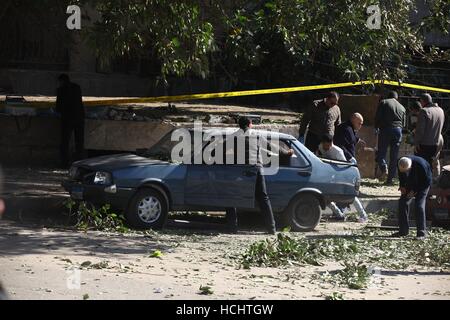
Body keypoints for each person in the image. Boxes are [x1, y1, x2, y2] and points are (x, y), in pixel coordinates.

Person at [226, 117, 292, 234]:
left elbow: (218, 149)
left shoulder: (233, 137)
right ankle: (271, 228)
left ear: (239, 125)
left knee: (232, 198)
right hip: (256, 170)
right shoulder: (256, 136)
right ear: (250, 124)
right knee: (263, 198)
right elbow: (273, 147)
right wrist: (288, 152)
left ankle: (232, 227)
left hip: (239, 171)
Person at [317, 134, 368, 223]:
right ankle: (339, 214)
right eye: (325, 145)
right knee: (325, 196)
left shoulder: (338, 151)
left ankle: (363, 215)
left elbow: (344, 166)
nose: (326, 148)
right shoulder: (320, 147)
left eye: (328, 146)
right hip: (328, 176)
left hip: (340, 175)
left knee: (350, 196)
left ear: (331, 143)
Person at [393, 156, 432, 239]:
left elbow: (425, 181)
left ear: (410, 167)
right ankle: (403, 231)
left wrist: (414, 191)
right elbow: (401, 176)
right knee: (402, 203)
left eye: (406, 170)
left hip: (423, 184)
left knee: (419, 205)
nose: (404, 172)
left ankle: (421, 233)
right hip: (409, 183)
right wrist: (402, 186)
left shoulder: (421, 165)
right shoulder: (400, 162)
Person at [375, 90, 406, 184]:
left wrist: (376, 127)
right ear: (397, 98)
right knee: (394, 156)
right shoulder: (402, 107)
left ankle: (384, 168)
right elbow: (404, 124)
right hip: (398, 131)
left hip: (385, 129)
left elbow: (377, 117)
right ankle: (390, 180)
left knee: (381, 153)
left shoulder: (384, 102)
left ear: (388, 96)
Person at [56, 74, 85, 167]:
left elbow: (58, 107)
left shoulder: (61, 90)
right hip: (79, 117)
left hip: (67, 119)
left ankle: (64, 163)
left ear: (61, 81)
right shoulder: (77, 87)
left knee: (65, 142)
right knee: (79, 141)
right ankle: (79, 163)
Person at [414, 93, 445, 169]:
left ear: (422, 101)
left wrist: (416, 142)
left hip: (424, 144)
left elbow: (420, 130)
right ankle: (431, 180)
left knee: (421, 166)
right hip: (437, 143)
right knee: (431, 166)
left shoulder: (424, 111)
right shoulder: (440, 110)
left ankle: (422, 181)